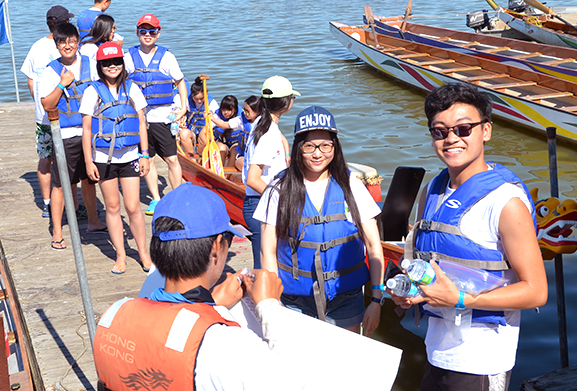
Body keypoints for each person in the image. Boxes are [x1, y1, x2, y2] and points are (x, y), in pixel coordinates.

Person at [389, 83, 547, 391]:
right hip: (437, 349)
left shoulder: (504, 203)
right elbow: (432, 266)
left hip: (481, 359)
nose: (451, 139)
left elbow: (537, 291)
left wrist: (463, 299)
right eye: (440, 131)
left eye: (463, 129)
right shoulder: (431, 192)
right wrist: (408, 292)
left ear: (486, 131)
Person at [93, 182, 313, 391]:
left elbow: (164, 343)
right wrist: (268, 305)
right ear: (217, 247)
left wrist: (209, 306)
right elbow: (294, 381)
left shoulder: (114, 315)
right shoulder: (222, 345)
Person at [256, 106, 384, 335]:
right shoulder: (278, 189)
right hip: (295, 298)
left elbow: (374, 245)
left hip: (345, 297)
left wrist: (376, 299)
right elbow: (268, 251)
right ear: (298, 148)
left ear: (335, 147)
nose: (318, 153)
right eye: (310, 146)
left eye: (325, 145)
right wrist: (272, 303)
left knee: (344, 363)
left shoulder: (351, 185)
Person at [80, 42, 152, 274]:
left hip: (130, 155)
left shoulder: (132, 88)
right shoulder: (92, 91)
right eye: (106, 63)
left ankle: (143, 253)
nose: (112, 66)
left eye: (116, 62)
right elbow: (87, 130)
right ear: (100, 66)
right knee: (112, 206)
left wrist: (145, 154)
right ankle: (120, 255)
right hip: (103, 158)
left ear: (122, 64)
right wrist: (89, 161)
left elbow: (141, 123)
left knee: (133, 206)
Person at [40, 23, 106, 250]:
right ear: (57, 45)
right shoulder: (50, 70)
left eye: (72, 41)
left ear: (78, 42)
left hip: (90, 132)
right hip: (66, 135)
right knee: (60, 185)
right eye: (62, 42)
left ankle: (94, 221)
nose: (68, 46)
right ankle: (57, 232)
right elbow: (47, 104)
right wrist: (62, 84)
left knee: (89, 179)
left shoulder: (92, 64)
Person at [126, 14, 188, 215]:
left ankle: (177, 196)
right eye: (143, 31)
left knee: (171, 159)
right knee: (148, 158)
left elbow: (180, 82)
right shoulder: (128, 57)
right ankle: (155, 198)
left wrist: (184, 108)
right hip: (139, 119)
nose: (147, 35)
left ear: (158, 33)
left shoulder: (167, 57)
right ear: (137, 33)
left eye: (152, 31)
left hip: (162, 117)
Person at [21, 5, 74, 219]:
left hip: (42, 115)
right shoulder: (66, 46)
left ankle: (46, 203)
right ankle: (71, 205)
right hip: (65, 117)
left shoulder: (36, 47)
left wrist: (39, 100)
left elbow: (30, 80)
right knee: (66, 161)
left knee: (45, 159)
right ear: (65, 24)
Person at [243, 76, 298, 269]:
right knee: (265, 267)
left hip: (258, 203)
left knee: (270, 263)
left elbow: (280, 138)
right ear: (287, 104)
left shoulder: (262, 122)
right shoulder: (268, 134)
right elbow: (252, 179)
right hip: (261, 204)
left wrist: (287, 154)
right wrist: (282, 199)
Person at [180, 76, 220, 155]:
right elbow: (183, 114)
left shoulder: (211, 102)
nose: (199, 101)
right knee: (183, 134)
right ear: (192, 96)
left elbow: (218, 119)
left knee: (204, 137)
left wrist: (206, 128)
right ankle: (192, 158)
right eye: (196, 99)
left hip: (206, 131)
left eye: (201, 98)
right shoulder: (187, 101)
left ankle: (201, 158)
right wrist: (182, 122)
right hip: (192, 131)